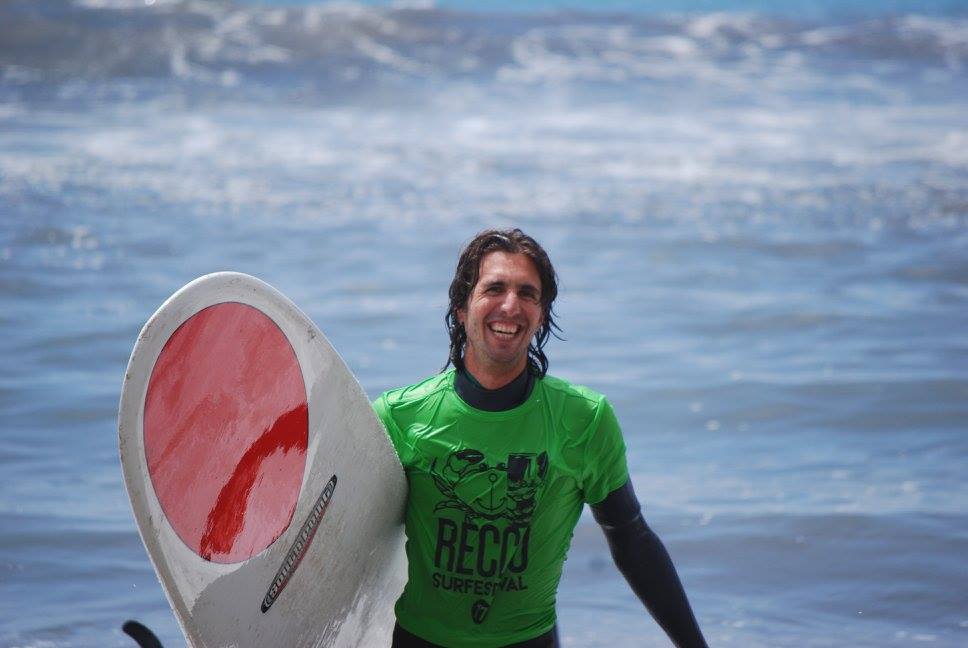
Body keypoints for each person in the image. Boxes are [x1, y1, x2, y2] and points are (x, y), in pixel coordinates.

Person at [373, 229, 708, 648]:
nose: (510, 305)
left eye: (527, 293)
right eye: (494, 288)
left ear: (542, 313)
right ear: (461, 307)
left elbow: (631, 537)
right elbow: (347, 532)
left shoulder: (584, 420)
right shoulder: (400, 415)